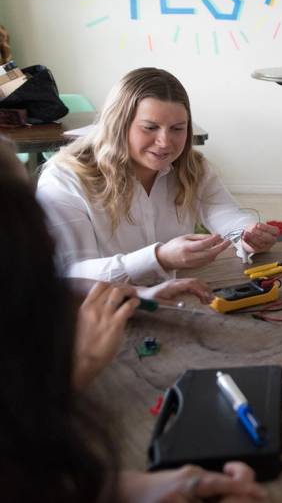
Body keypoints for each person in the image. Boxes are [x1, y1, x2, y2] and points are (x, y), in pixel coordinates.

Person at [0, 141, 266, 502]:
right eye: (29, 213)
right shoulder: (63, 178)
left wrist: (140, 296)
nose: (47, 235)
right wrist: (82, 366)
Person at [37, 68, 278, 285]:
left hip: (173, 301)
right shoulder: (65, 179)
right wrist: (158, 258)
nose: (165, 143)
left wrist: (248, 234)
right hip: (99, 317)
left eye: (177, 129)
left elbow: (226, 215)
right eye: (150, 128)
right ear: (118, 124)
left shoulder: (192, 167)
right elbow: (71, 275)